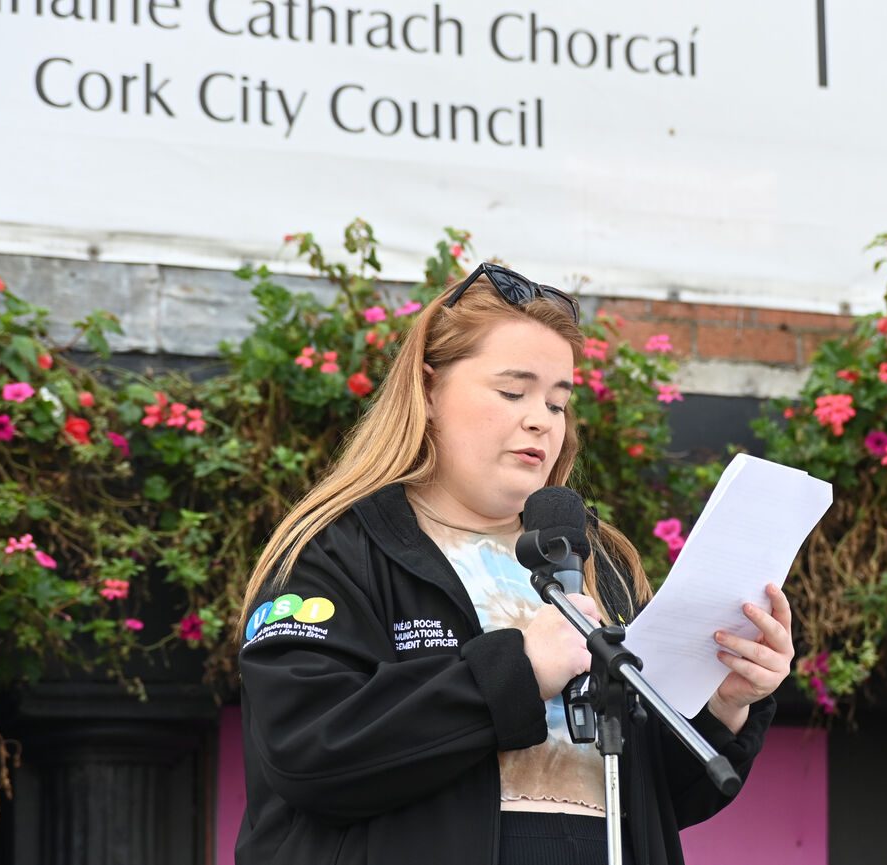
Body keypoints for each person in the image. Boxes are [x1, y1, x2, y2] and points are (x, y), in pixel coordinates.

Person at [235, 262, 795, 865]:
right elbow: (308, 751)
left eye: (558, 403)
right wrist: (516, 672)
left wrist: (725, 705)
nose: (540, 420)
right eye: (512, 392)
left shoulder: (596, 561)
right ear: (428, 390)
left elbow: (657, 801)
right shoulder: (337, 550)